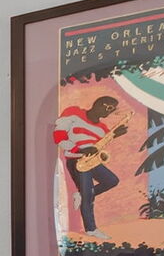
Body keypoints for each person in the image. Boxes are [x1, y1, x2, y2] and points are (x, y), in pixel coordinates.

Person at [53, 95, 127, 240]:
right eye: (109, 107)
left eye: (112, 110)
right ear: (99, 103)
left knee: (112, 180)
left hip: (92, 161)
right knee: (88, 197)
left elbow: (99, 146)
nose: (109, 112)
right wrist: (78, 150)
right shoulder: (73, 112)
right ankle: (91, 229)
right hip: (77, 160)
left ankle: (81, 195)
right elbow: (58, 135)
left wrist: (113, 135)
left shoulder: (103, 129)